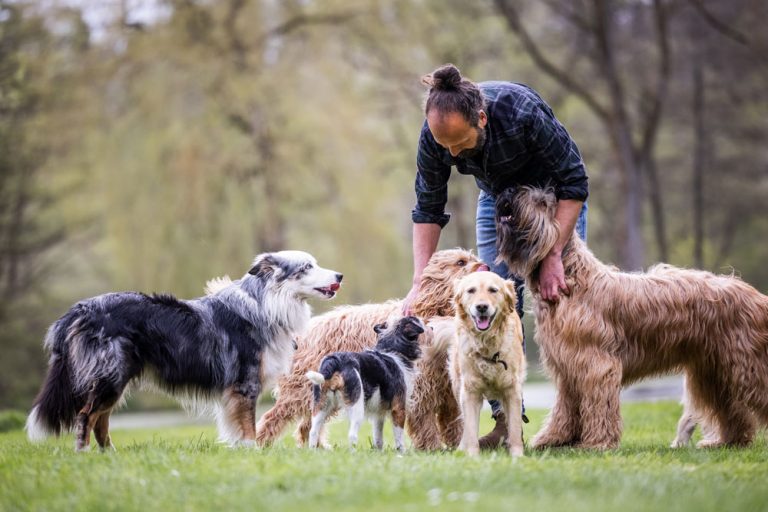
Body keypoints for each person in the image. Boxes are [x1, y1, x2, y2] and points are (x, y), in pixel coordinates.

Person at [402, 64, 589, 449]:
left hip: (551, 197)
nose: (451, 154)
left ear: (481, 119)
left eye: (460, 143)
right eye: (444, 145)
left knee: (563, 304)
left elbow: (575, 181)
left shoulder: (521, 111)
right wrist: (419, 282)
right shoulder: (435, 136)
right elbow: (427, 208)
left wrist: (554, 254)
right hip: (497, 199)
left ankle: (580, 422)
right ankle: (507, 423)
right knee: (491, 300)